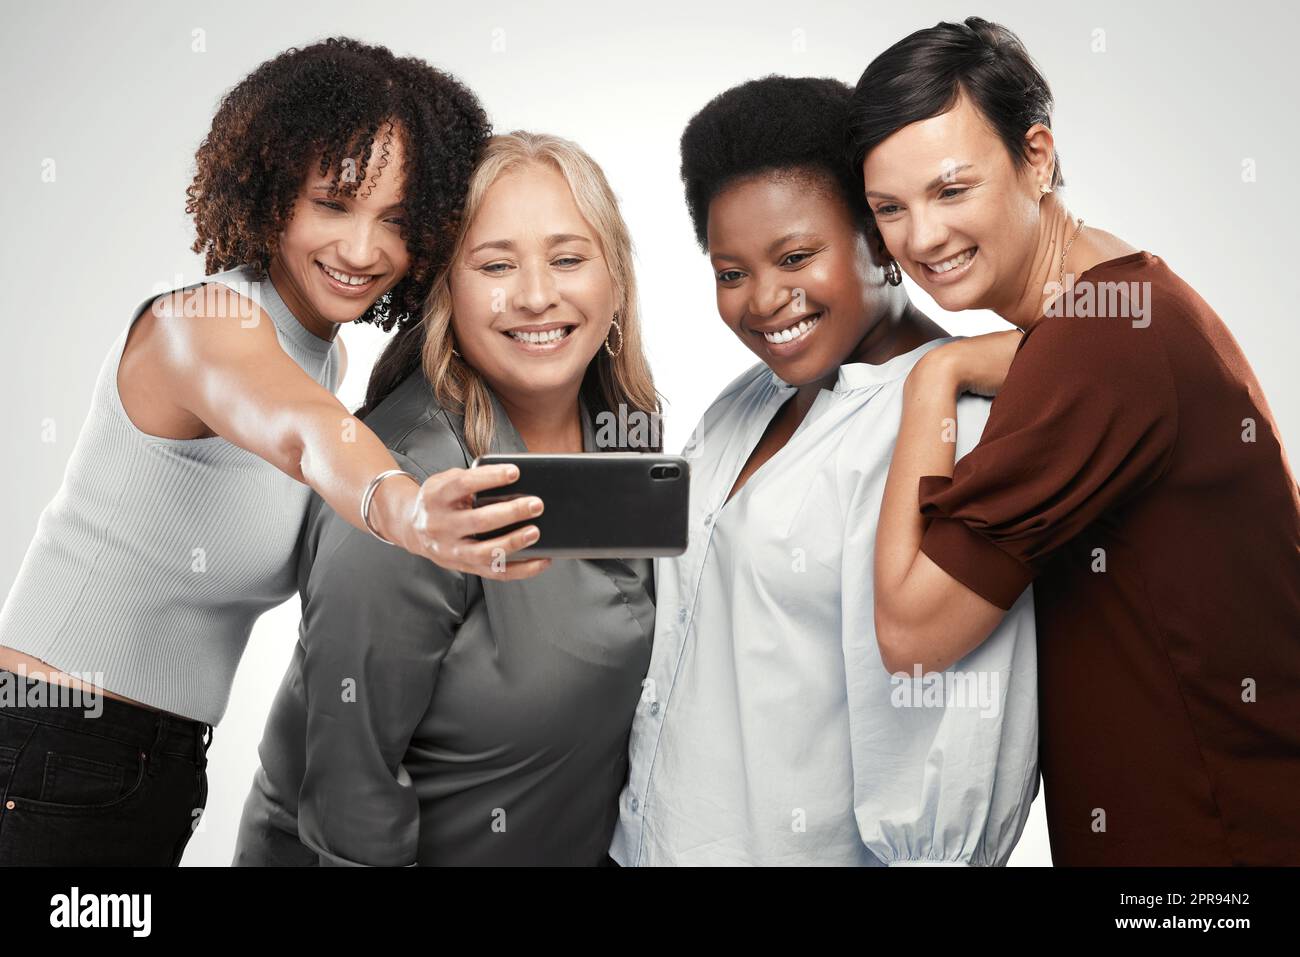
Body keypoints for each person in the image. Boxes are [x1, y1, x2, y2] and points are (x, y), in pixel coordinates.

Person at [0, 38, 507, 866]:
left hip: (136, 762)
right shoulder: (206, 324)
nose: (362, 249)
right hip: (53, 742)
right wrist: (404, 505)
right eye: (334, 204)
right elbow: (304, 431)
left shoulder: (327, 355)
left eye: (399, 221)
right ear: (272, 191)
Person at [855, 17, 1300, 865]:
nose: (920, 239)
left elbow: (910, 634)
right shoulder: (1124, 304)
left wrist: (932, 379)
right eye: (889, 209)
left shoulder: (1098, 344)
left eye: (951, 190)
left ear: (1038, 156)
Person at [610, 76, 1037, 867]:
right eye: (730, 271)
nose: (765, 300)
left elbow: (952, 751)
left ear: (880, 240)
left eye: (796, 255)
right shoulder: (749, 400)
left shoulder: (955, 428)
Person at [233, 132, 662, 866]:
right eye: (495, 264)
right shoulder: (414, 475)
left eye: (567, 258)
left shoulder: (626, 432)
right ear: (445, 291)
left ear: (614, 280)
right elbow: (349, 797)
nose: (535, 294)